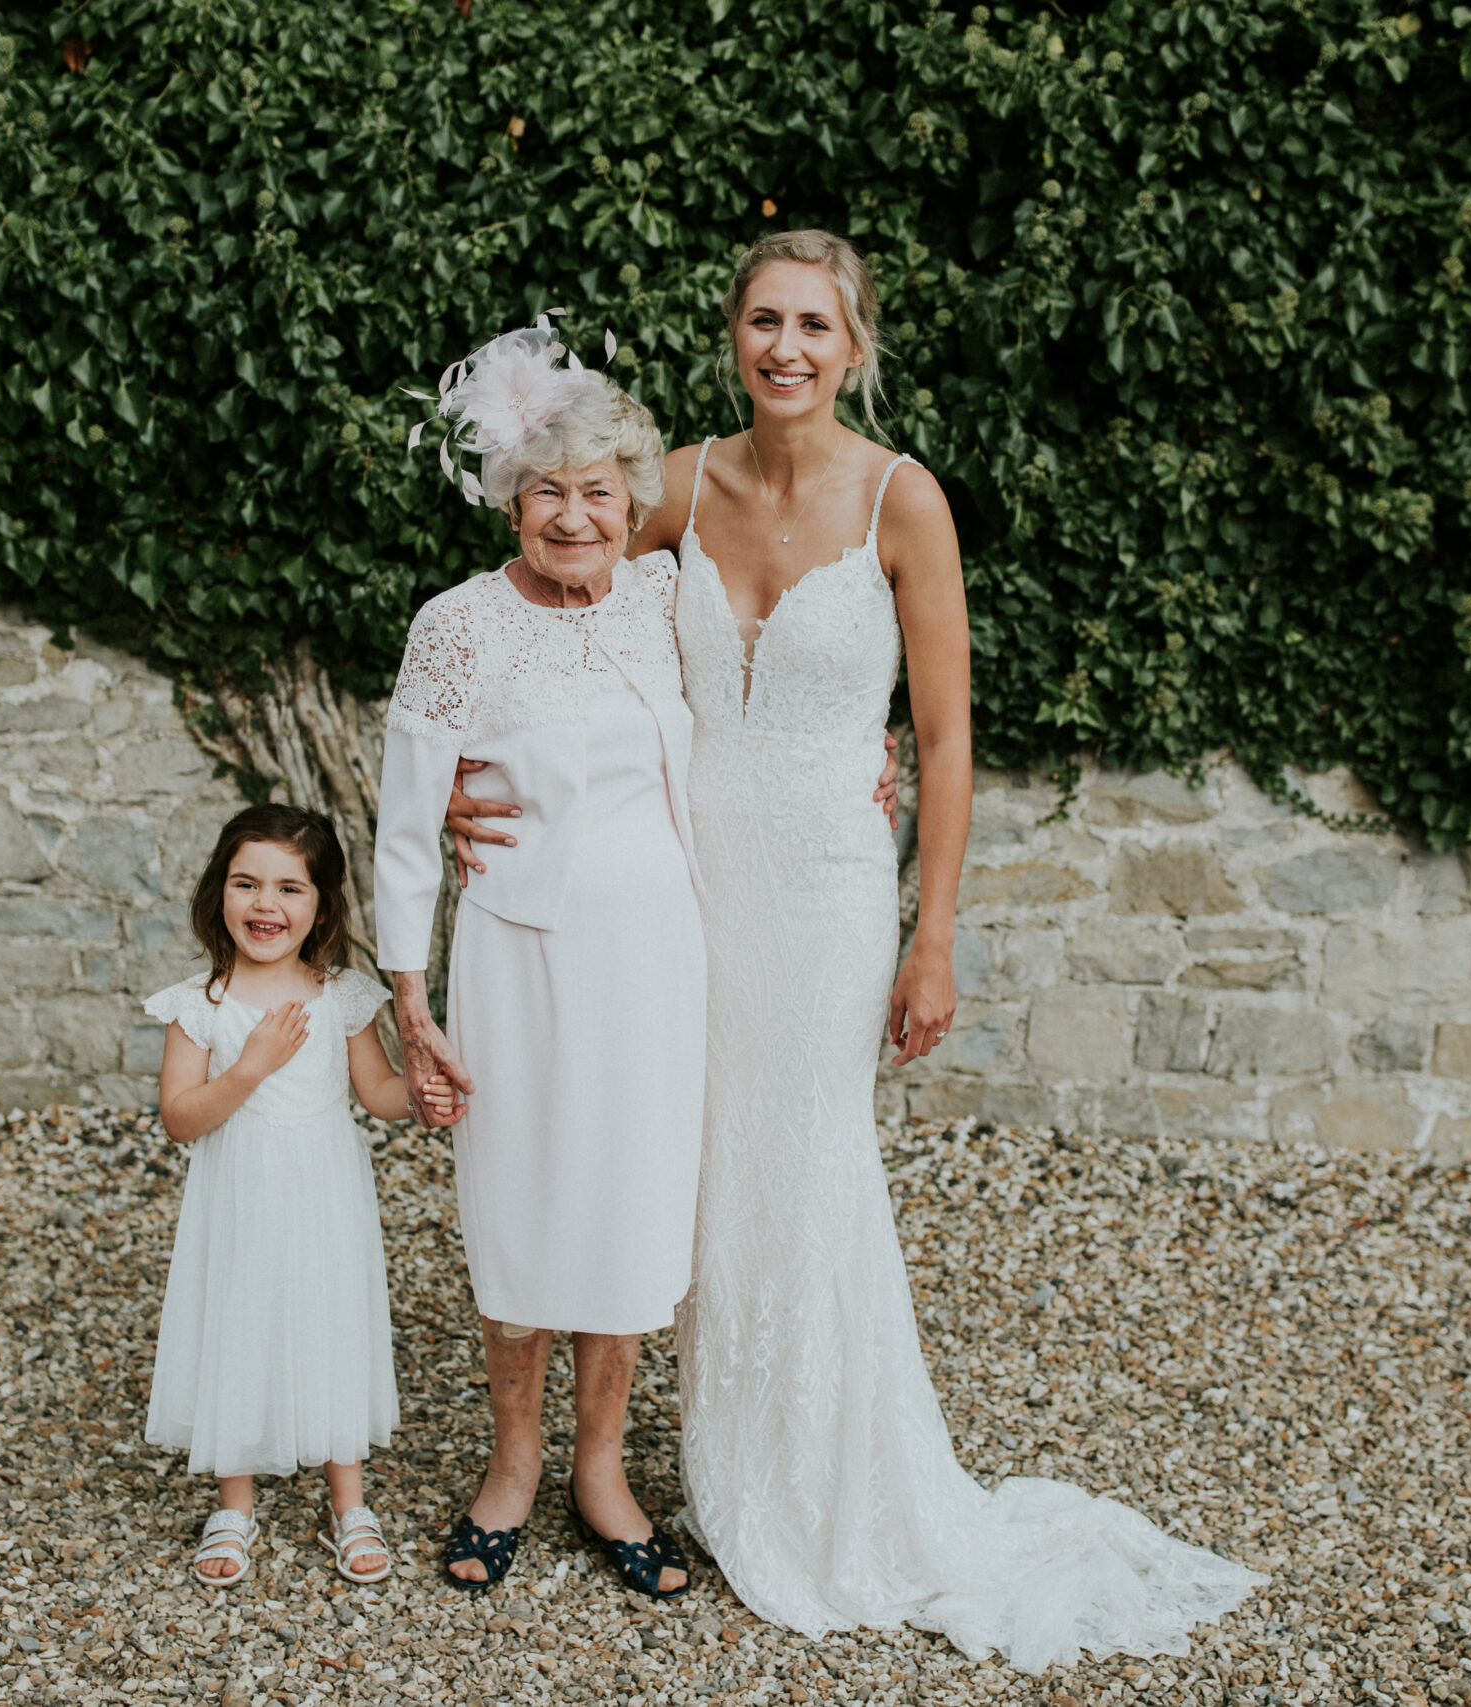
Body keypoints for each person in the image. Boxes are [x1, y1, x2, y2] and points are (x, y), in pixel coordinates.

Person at [451, 231, 1263, 1671]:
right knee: (673, 1156)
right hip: (676, 877)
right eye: (764, 320)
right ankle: (626, 1460)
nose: (786, 347)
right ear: (733, 335)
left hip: (827, 883)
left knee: (801, 1151)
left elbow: (945, 739)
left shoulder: (905, 501)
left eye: (814, 325)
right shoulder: (678, 483)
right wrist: (465, 775)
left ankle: (813, 1479)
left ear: (854, 344)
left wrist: (933, 932)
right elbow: (552, 613)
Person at [373, 325, 706, 1599]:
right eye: (548, 491)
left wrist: (873, 759)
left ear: (635, 504)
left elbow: (772, 709)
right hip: (517, 963)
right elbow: (409, 824)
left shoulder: (670, 601)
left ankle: (601, 1469)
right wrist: (413, 1001)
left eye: (600, 492)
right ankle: (511, 1462)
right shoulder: (455, 628)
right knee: (519, 1210)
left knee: (628, 1212)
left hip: (659, 964)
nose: (575, 515)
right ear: (512, 500)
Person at [141, 803, 420, 1588]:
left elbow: (379, 1093)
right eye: (246, 883)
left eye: (290, 888)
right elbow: (179, 1117)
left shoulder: (342, 996)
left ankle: (349, 1500)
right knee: (241, 1319)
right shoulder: (202, 1006)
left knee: (326, 1317)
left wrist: (425, 1090)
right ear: (217, 893)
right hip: (238, 1200)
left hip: (325, 1195)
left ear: (321, 906)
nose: (266, 904)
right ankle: (234, 1503)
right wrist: (250, 1066)